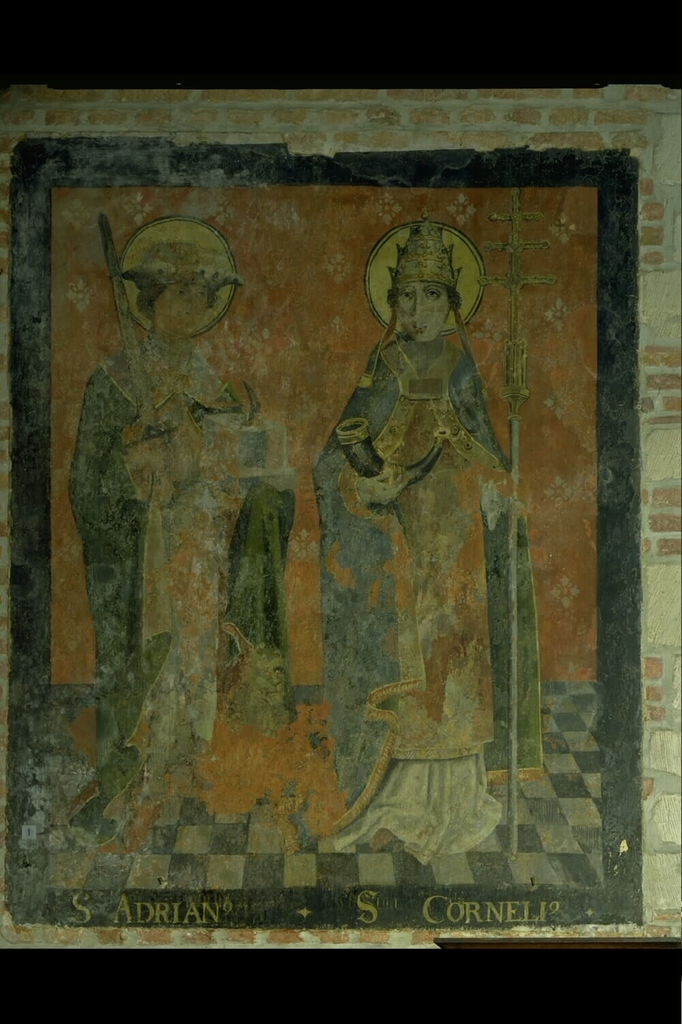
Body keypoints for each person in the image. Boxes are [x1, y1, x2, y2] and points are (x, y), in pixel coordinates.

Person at [314, 219, 539, 863]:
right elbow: (339, 452)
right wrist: (370, 479)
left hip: (455, 535)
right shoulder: (383, 364)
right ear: (393, 304)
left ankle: (455, 798)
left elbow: (484, 444)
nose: (418, 309)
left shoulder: (461, 365)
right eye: (407, 297)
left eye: (431, 296)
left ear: (451, 304)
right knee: (405, 655)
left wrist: (497, 482)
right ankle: (396, 795)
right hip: (399, 539)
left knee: (454, 658)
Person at [69, 221, 295, 845]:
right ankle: (138, 773)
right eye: (179, 292)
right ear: (149, 301)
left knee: (200, 652)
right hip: (146, 551)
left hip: (204, 546)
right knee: (153, 656)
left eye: (202, 294)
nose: (192, 306)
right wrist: (140, 460)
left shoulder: (210, 382)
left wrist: (253, 476)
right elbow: (90, 484)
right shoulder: (115, 379)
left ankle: (194, 761)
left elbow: (228, 462)